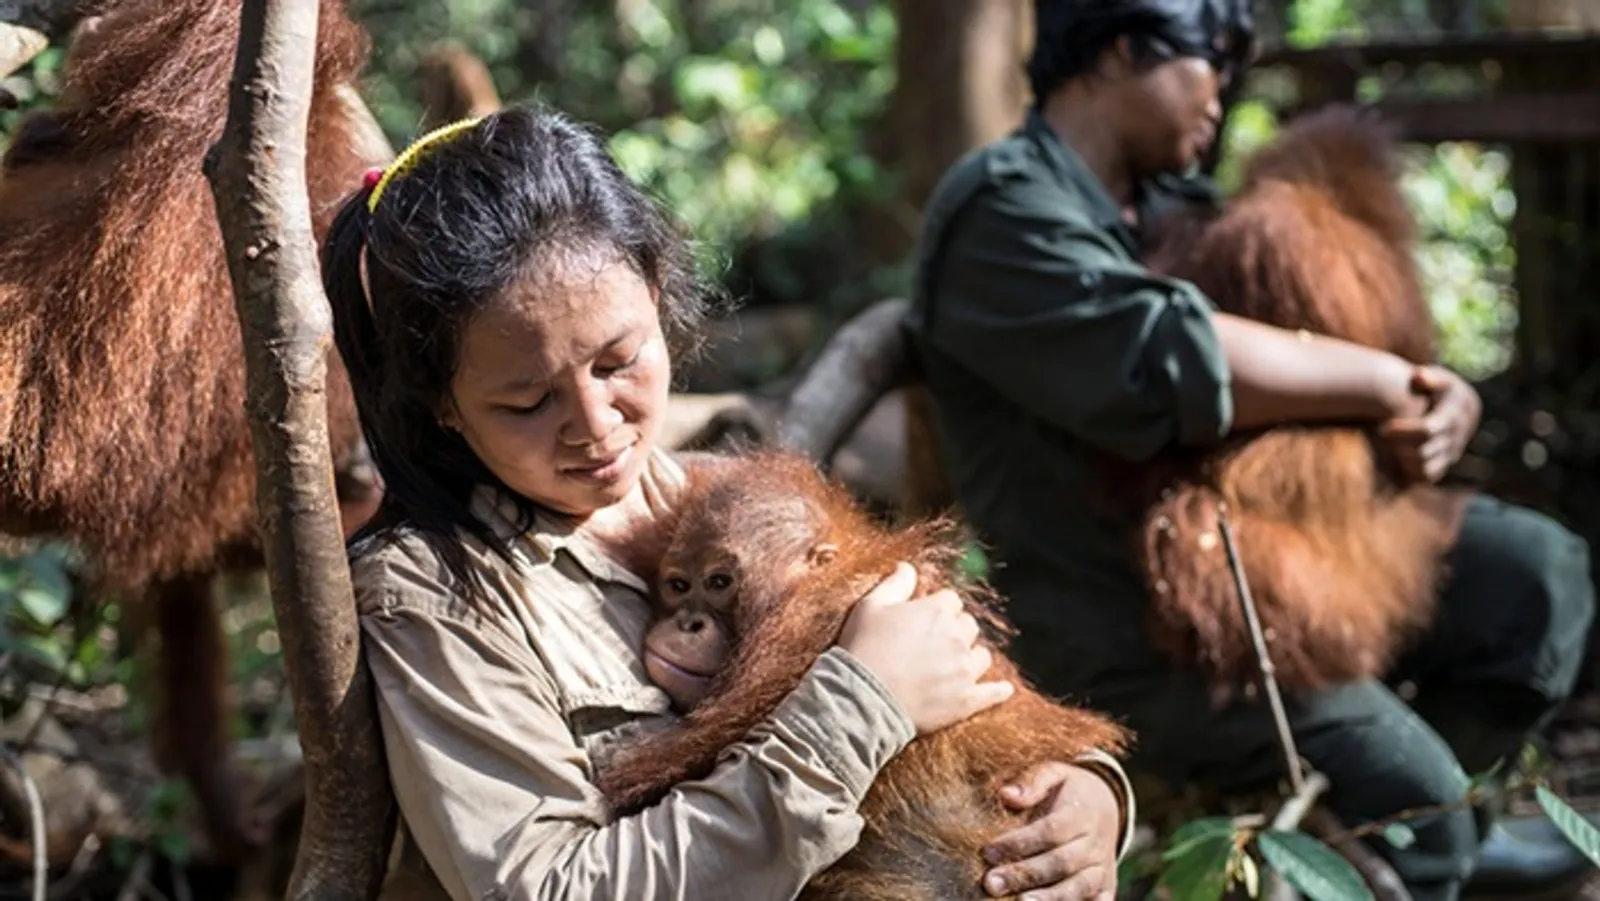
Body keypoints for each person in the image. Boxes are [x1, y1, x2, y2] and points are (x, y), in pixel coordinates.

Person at [319, 107, 1136, 901]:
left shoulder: (731, 496)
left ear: (655, 290)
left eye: (618, 360)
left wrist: (1088, 796)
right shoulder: (437, 594)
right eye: (528, 401)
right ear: (442, 404)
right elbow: (546, 885)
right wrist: (861, 703)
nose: (595, 427)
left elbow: (972, 685)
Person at [903, 1, 1598, 899]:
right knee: (1405, 778)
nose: (1225, 92)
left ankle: (1444, 830)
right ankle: (1425, 830)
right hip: (1128, 627)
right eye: (1211, 59)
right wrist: (1389, 381)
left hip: (1267, 564)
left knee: (1540, 577)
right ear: (1120, 50)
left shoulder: (1169, 198)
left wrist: (1440, 395)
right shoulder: (1003, 210)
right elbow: (1161, 358)